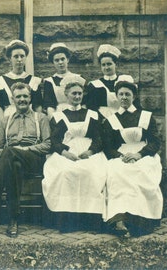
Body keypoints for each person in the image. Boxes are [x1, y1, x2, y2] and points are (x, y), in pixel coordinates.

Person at [0, 82, 51, 238]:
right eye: (18, 97)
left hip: (33, 159)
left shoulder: (41, 118)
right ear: (13, 99)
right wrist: (11, 153)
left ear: (30, 98)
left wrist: (25, 150)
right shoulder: (6, 120)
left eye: (25, 96)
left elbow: (47, 144)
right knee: (14, 165)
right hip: (13, 161)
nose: (22, 99)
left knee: (11, 153)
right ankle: (13, 219)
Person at [42, 74, 107, 232]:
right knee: (64, 172)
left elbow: (99, 138)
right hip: (66, 151)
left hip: (88, 150)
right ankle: (66, 220)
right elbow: (55, 140)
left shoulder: (93, 114)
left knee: (92, 172)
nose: (77, 96)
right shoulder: (58, 116)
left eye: (79, 93)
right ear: (66, 95)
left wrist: (90, 151)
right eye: (74, 93)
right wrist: (65, 153)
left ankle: (91, 220)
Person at [102, 79, 163, 237]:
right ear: (116, 96)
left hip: (144, 154)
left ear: (134, 96)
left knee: (140, 172)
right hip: (121, 156)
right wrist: (121, 156)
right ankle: (119, 219)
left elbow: (156, 142)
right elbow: (108, 147)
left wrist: (139, 154)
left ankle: (141, 220)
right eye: (120, 94)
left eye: (127, 94)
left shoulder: (146, 116)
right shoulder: (111, 120)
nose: (123, 97)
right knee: (117, 173)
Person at [0, 40, 43, 124]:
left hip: (30, 120)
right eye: (16, 56)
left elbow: (38, 106)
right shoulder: (0, 82)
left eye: (22, 56)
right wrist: (3, 123)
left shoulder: (35, 81)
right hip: (9, 119)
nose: (19, 59)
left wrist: (37, 123)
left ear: (26, 57)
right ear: (10, 58)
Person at [84, 44, 138, 121]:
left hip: (123, 119)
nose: (106, 67)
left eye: (109, 64)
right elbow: (91, 107)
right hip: (101, 121)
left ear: (116, 64)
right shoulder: (94, 85)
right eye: (103, 65)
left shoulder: (125, 81)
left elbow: (134, 104)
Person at [43, 42, 84, 118]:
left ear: (67, 59)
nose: (60, 62)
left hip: (77, 114)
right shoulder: (49, 82)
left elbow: (84, 103)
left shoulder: (78, 78)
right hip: (59, 115)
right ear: (53, 62)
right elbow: (50, 106)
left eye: (62, 59)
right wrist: (53, 120)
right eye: (57, 60)